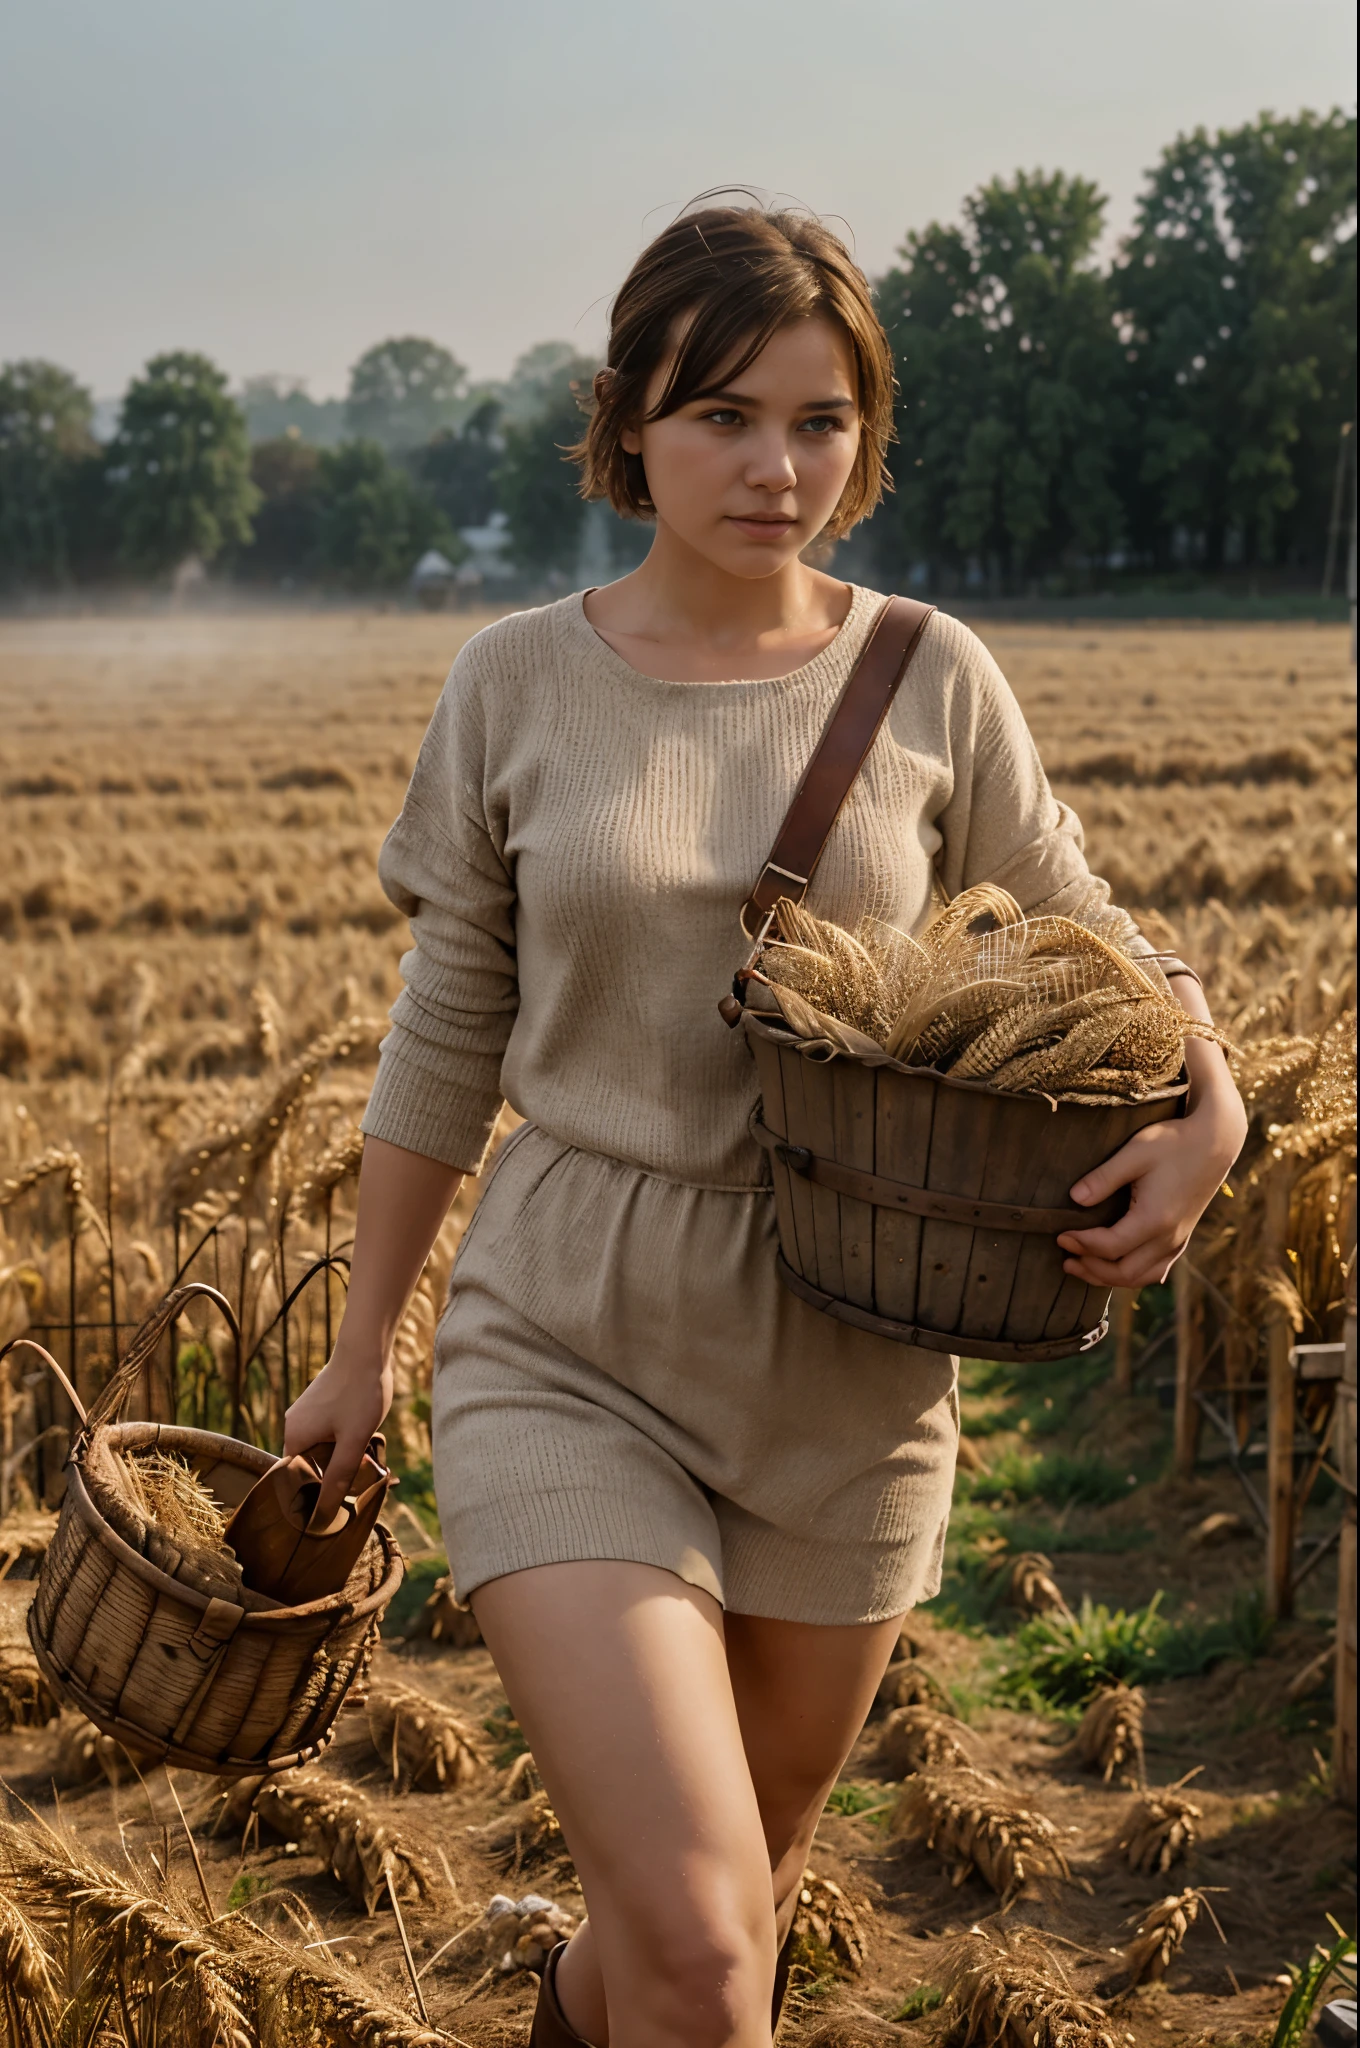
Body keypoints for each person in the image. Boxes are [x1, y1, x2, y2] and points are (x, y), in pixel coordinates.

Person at [283, 202, 1247, 2047]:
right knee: (713, 1953)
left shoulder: (931, 674)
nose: (775, 468)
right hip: (568, 1334)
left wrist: (1213, 1102)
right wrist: (361, 1344)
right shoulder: (513, 679)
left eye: (819, 422)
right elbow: (447, 1028)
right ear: (629, 420)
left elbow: (1093, 933)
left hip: (853, 1367)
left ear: (864, 440)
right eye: (721, 414)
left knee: (728, 1915)